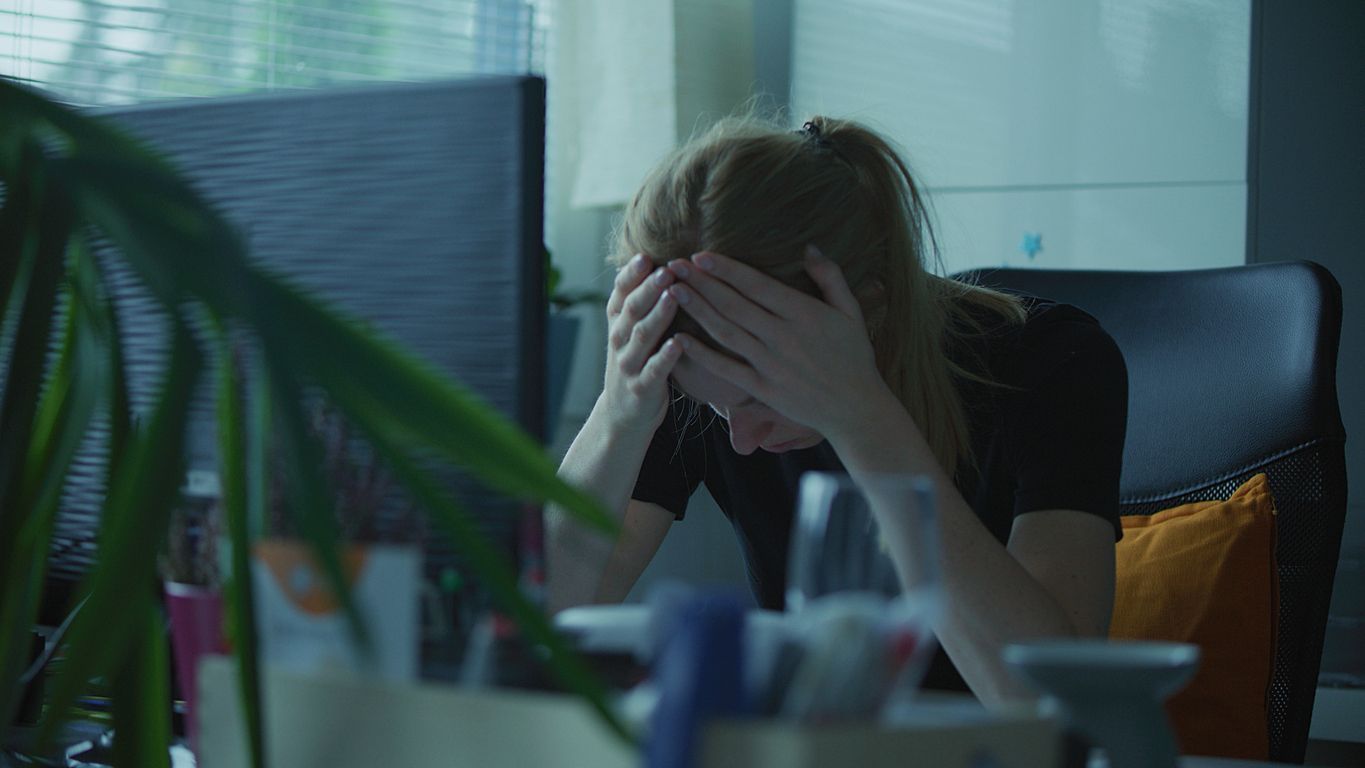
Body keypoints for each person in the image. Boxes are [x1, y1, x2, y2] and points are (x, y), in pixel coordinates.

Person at [546, 115, 1127, 705]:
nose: (741, 438)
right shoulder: (699, 367)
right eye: (713, 406)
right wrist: (620, 414)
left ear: (867, 313)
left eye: (759, 399)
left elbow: (1058, 706)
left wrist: (863, 418)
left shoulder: (1054, 361)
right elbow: (540, 627)